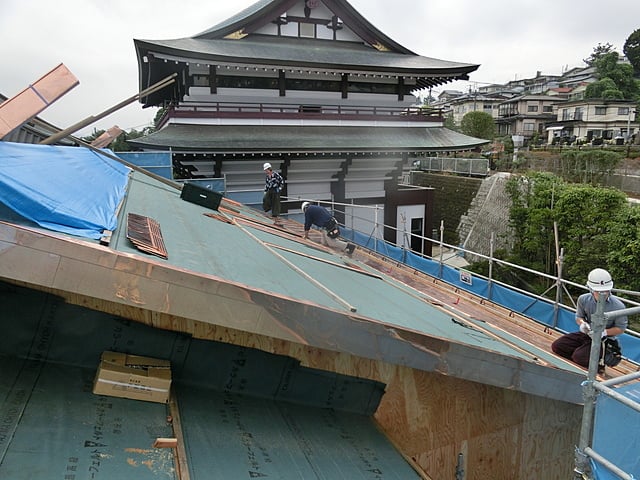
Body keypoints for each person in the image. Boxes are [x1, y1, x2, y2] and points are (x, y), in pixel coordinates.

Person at [551, 268, 627, 372]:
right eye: (599, 291)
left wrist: (604, 332)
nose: (603, 294)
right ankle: (581, 357)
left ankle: (597, 365)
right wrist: (582, 324)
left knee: (579, 357)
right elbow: (579, 317)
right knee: (558, 346)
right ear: (590, 289)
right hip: (587, 334)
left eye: (605, 291)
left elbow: (620, 328)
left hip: (604, 340)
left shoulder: (618, 306)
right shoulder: (583, 299)